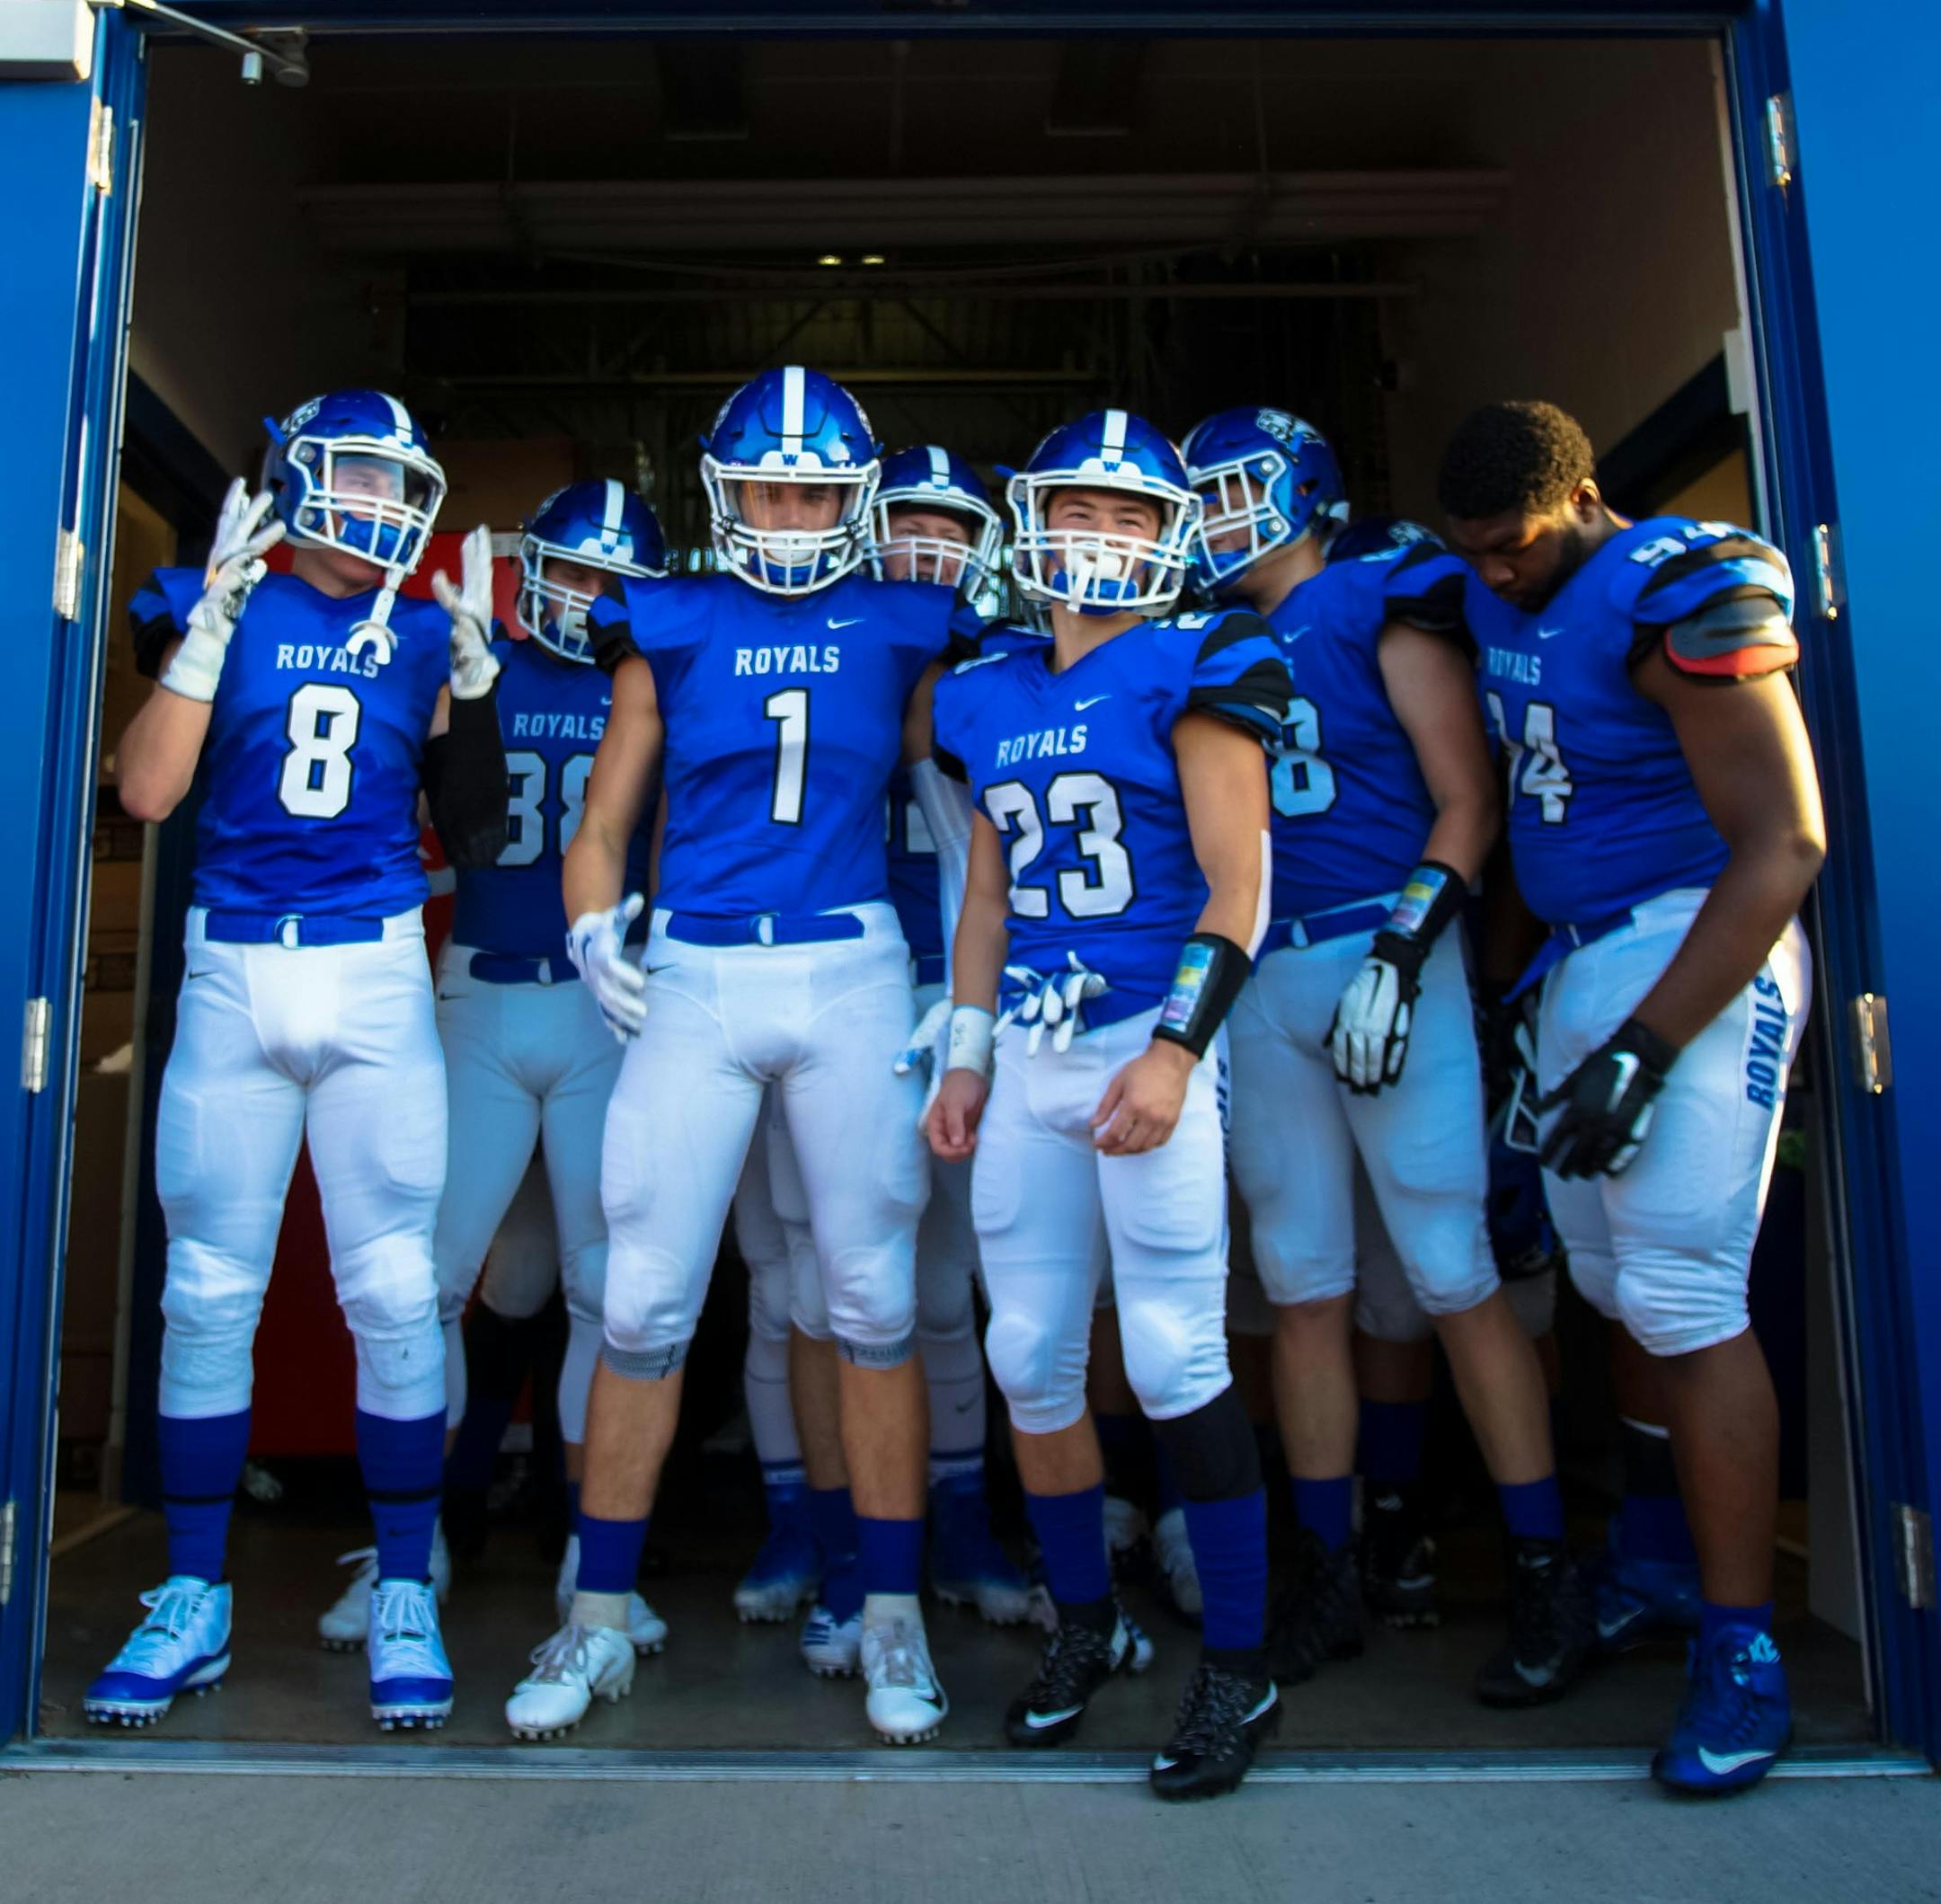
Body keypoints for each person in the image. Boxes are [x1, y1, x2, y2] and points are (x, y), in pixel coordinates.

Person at [502, 367, 963, 1747]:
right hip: (699, 968)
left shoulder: (906, 622)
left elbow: (972, 810)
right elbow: (601, 819)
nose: (789, 508)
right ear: (724, 488)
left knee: (871, 1300)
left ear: (854, 496)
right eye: (768, 483)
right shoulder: (671, 618)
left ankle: (891, 1614)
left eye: (817, 487)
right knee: (641, 1306)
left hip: (851, 963)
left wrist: (977, 975)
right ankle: (596, 1618)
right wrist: (594, 930)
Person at [84, 390, 505, 1732]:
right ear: (303, 479)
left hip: (375, 970)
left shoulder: (429, 633)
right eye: (362, 482)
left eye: (401, 486)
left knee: (392, 1291)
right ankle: (194, 1593)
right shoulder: (210, 599)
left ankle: (401, 1586)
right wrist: (202, 637)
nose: (384, 510)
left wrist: (480, 698)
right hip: (231, 969)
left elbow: (482, 837)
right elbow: (145, 794)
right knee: (206, 1295)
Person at [1439, 397, 1822, 1795]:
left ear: (1585, 494)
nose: (1496, 573)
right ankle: (1658, 1562)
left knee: (1684, 1295)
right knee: (1609, 1287)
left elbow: (1785, 842)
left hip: (1692, 949)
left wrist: (1649, 1046)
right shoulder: (1490, 591)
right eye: (1470, 552)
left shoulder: (1674, 587)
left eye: (1515, 546)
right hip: (1578, 960)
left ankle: (1745, 1646)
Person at [1181, 407, 1590, 1707]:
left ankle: (1540, 1564)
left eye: (1237, 490)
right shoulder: (1198, 634)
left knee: (1451, 1269)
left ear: (1305, 486)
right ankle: (1334, 1566)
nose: (1217, 514)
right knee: (1299, 1283)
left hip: (1376, 950)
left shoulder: (1379, 592)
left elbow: (1468, 800)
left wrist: (1405, 957)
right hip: (1259, 974)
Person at [927, 408, 1292, 1802]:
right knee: (1026, 1351)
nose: (1099, 536)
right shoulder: (989, 687)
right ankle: (1087, 1624)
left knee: (1171, 1354)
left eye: (1132, 516)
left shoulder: (1202, 657)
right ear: (1031, 522)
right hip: (1028, 1047)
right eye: (1078, 507)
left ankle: (1241, 1665)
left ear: (1173, 536)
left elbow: (1236, 880)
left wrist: (1176, 1055)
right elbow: (987, 888)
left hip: (1149, 1028)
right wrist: (965, 1053)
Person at [317, 481, 672, 1658]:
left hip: (602, 1005)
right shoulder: (474, 664)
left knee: (606, 1293)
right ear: (536, 572)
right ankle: (408, 1556)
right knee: (422, 1284)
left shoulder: (653, 682)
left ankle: (594, 1553)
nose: (586, 597)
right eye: (569, 572)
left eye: (609, 580)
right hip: (476, 990)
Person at [731, 443, 1034, 1630]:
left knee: (947, 1290)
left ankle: (954, 1517)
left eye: (952, 529)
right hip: (818, 987)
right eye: (905, 522)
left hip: (950, 994)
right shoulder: (819, 646)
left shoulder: (1012, 664)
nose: (927, 548)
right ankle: (812, 1520)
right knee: (798, 1289)